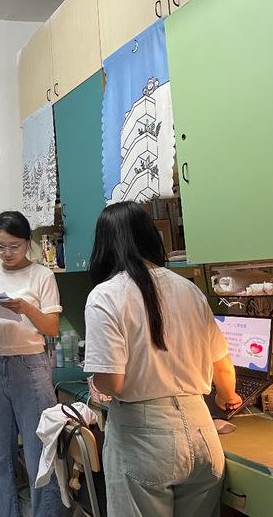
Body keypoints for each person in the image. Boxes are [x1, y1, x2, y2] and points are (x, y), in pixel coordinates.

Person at [83, 201, 242, 517]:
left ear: (103, 246)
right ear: (151, 238)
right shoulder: (189, 289)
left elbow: (111, 382)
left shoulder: (106, 295)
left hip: (143, 437)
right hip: (202, 431)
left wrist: (95, 379)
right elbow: (223, 366)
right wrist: (227, 396)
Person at [0, 211, 64, 517]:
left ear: (28, 242)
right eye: (0, 246)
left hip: (30, 366)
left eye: (14, 246)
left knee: (38, 452)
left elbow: (51, 328)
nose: (7, 253)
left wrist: (26, 308)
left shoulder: (42, 275)